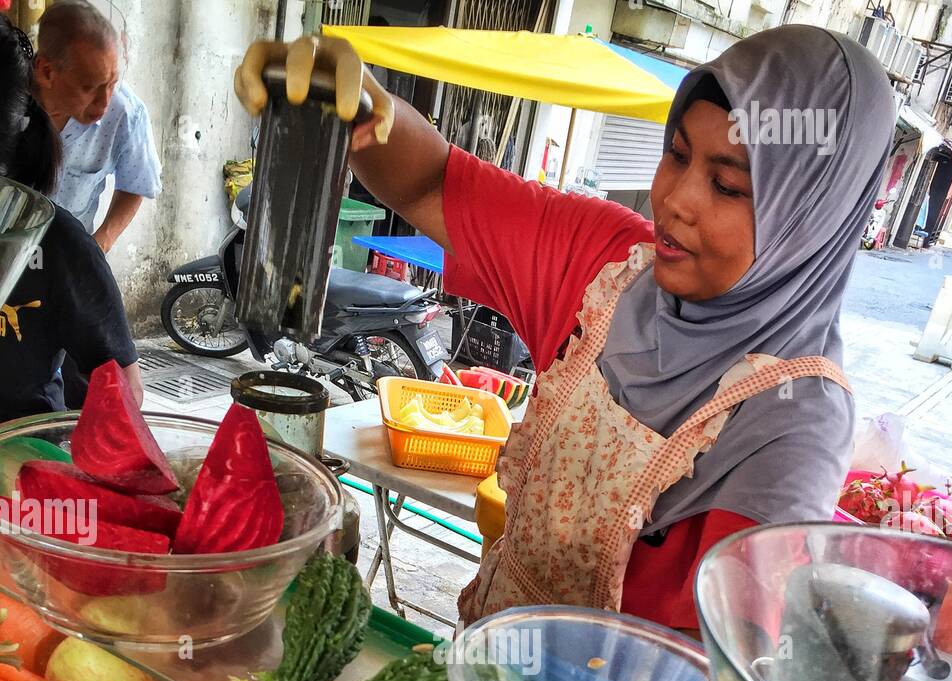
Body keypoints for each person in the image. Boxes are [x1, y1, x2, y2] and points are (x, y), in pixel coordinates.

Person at [235, 26, 895, 632]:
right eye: (676, 155)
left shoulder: (794, 419)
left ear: (809, 214)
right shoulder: (609, 265)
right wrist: (363, 107)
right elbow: (430, 183)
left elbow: (736, 672)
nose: (675, 200)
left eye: (726, 186)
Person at [0, 17, 142, 423]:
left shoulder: (59, 243)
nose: (101, 106)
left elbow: (123, 393)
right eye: (90, 87)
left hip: (24, 451)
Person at [34, 1, 161, 256]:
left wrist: (99, 245)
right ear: (47, 72)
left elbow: (137, 183)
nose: (105, 102)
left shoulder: (125, 113)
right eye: (89, 87)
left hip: (67, 258)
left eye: (112, 83)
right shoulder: (11, 103)